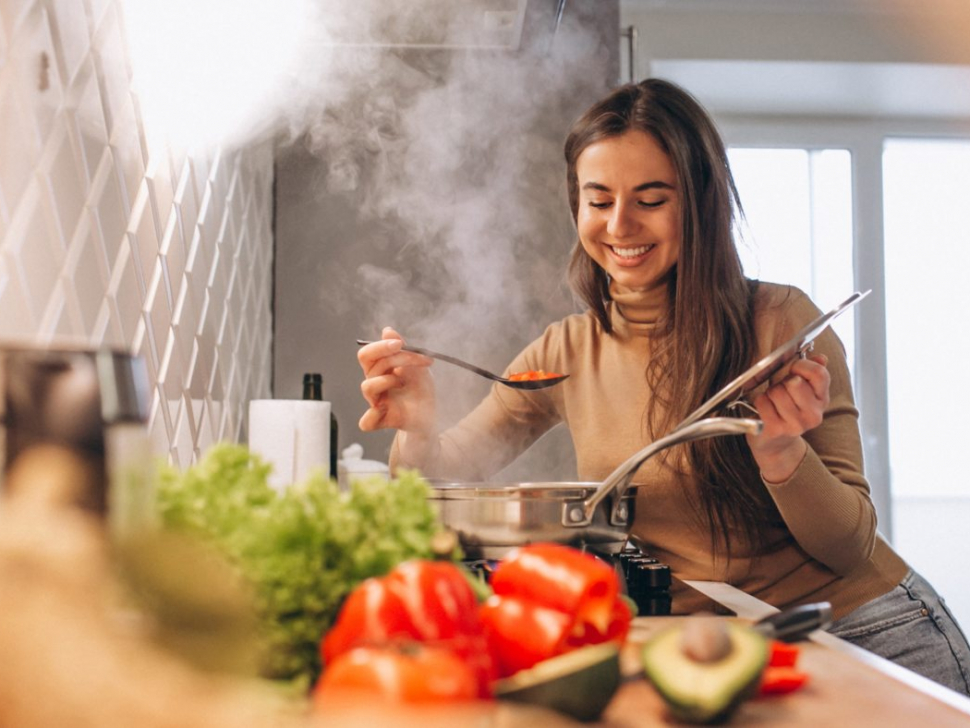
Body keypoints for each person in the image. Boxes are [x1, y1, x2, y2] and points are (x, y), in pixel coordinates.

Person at [356, 78, 970, 695]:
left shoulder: (780, 324)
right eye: (598, 200)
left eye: (651, 199)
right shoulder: (565, 349)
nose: (620, 225)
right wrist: (416, 426)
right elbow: (442, 477)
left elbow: (851, 548)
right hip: (723, 647)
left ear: (700, 204)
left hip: (867, 633)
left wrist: (783, 453)